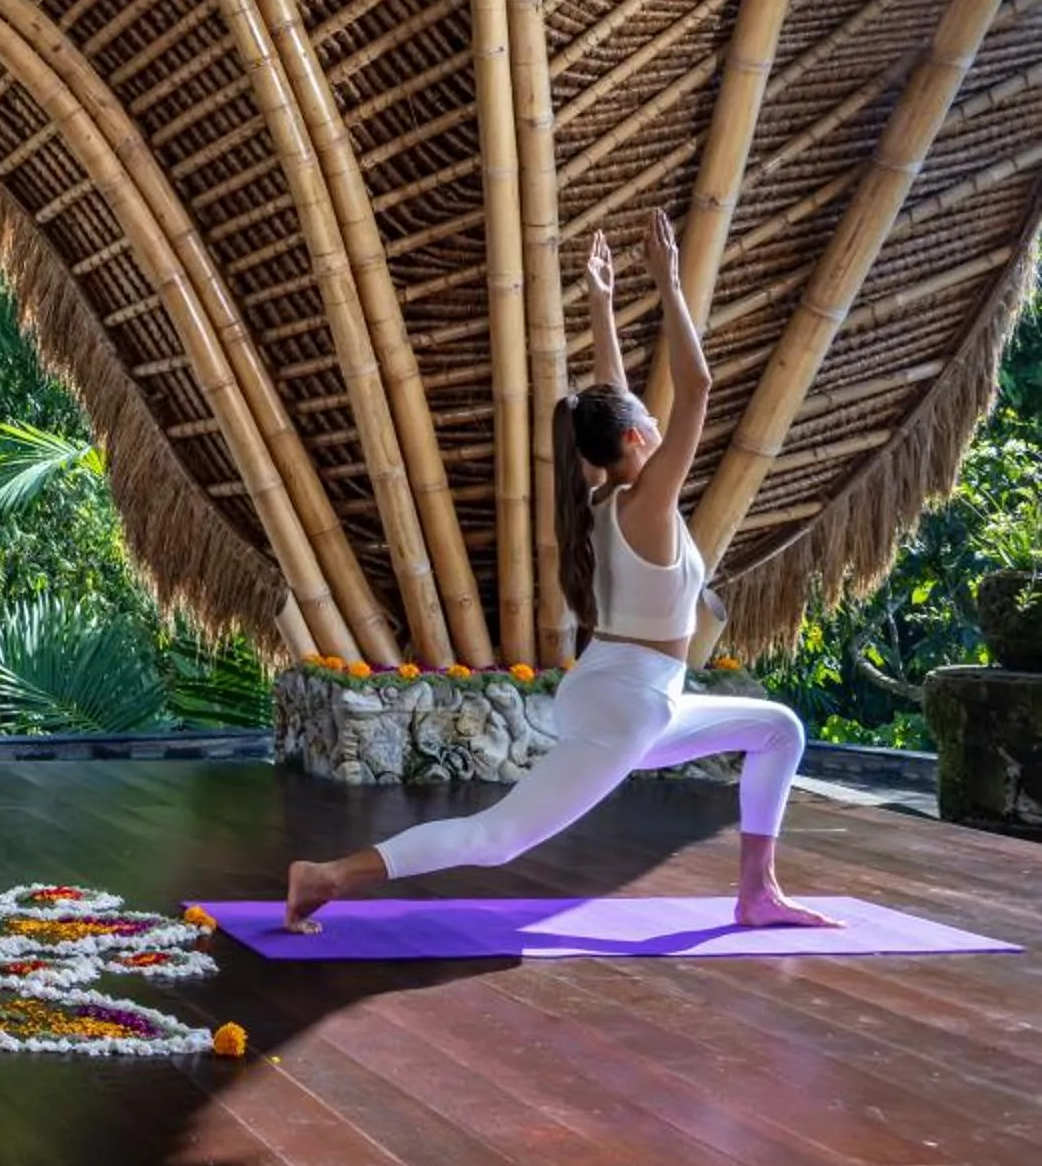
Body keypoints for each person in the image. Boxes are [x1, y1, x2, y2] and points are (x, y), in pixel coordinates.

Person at [282, 209, 832, 934]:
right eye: (648, 424)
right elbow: (695, 388)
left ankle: (758, 892)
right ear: (638, 438)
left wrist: (603, 306)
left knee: (778, 730)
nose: (662, 427)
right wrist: (668, 284)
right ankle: (328, 875)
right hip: (629, 705)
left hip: (622, 692)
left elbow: (609, 398)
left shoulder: (608, 497)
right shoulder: (648, 503)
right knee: (497, 839)